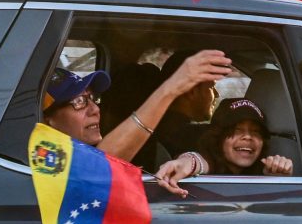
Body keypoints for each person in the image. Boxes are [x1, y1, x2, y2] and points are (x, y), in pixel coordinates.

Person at [41, 49, 232, 163]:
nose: (96, 109)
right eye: (79, 102)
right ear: (47, 120)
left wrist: (194, 162)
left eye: (93, 98)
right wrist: (172, 87)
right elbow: (99, 167)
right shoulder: (45, 160)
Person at [155, 97, 293, 197]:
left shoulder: (265, 169)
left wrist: (278, 178)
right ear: (218, 138)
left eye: (256, 132)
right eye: (237, 130)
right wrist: (188, 162)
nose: (248, 136)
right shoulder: (209, 161)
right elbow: (200, 162)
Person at [130, 50, 224, 171]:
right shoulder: (197, 137)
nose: (217, 94)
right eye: (211, 87)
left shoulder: (147, 130)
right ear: (191, 91)